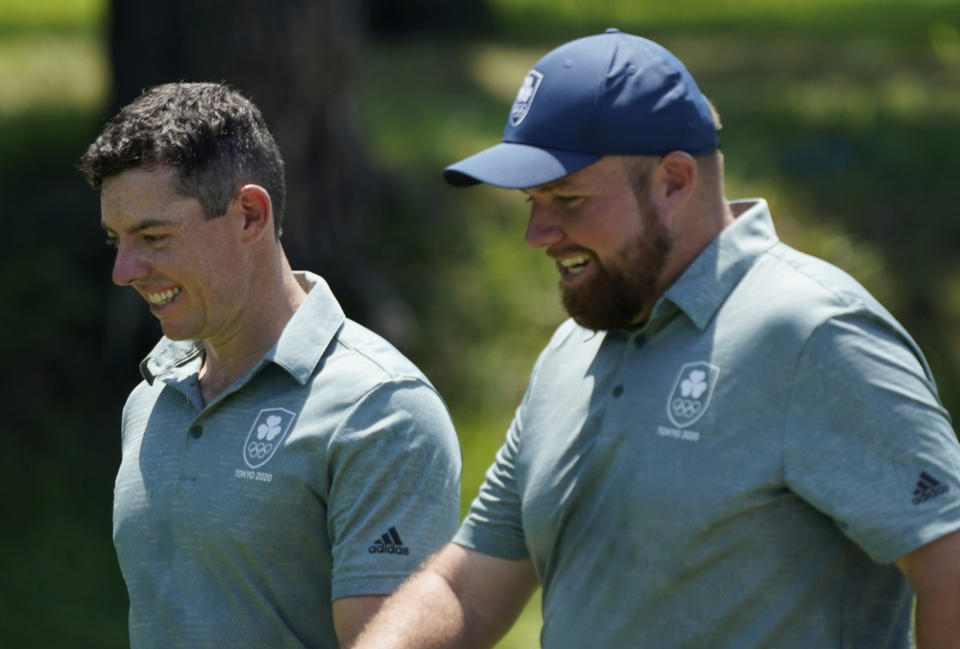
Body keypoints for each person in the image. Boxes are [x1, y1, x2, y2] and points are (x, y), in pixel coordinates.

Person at [351, 29, 960, 649]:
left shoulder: (814, 333)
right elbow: (468, 588)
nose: (538, 233)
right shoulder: (574, 349)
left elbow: (950, 564)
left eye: (568, 198)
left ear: (673, 181)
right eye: (532, 202)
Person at [77, 82, 461, 649]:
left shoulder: (379, 410)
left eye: (153, 236)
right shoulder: (153, 397)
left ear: (251, 216)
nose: (125, 269)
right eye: (117, 240)